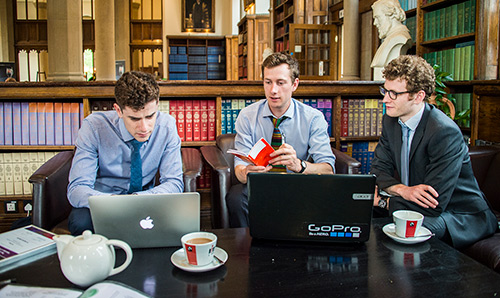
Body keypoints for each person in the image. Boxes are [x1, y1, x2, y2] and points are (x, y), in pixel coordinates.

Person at [371, 55, 497, 248]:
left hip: (457, 215)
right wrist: (402, 190)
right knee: (357, 212)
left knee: (409, 232)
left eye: (394, 93)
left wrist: (382, 202)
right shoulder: (391, 121)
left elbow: (432, 204)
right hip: (413, 204)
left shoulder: (443, 131)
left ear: (419, 96)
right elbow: (378, 170)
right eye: (385, 90)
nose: (385, 98)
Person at [226, 52, 336, 228]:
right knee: (235, 198)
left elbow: (328, 169)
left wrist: (299, 165)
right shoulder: (247, 116)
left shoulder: (313, 118)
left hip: (298, 184)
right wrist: (247, 172)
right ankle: (245, 248)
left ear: (295, 84)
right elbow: (239, 169)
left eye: (280, 83)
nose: (273, 90)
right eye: (268, 82)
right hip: (259, 184)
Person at [67, 71, 184, 236]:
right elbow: (77, 189)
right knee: (80, 222)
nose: (144, 128)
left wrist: (136, 200)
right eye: (134, 119)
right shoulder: (93, 127)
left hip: (146, 199)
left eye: (150, 116)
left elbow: (174, 182)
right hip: (103, 201)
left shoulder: (167, 127)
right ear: (118, 110)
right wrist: (116, 203)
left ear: (157, 104)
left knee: (178, 223)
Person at [371, 0, 412, 80]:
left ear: (392, 15)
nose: (375, 23)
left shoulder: (400, 38)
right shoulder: (389, 39)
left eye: (377, 17)